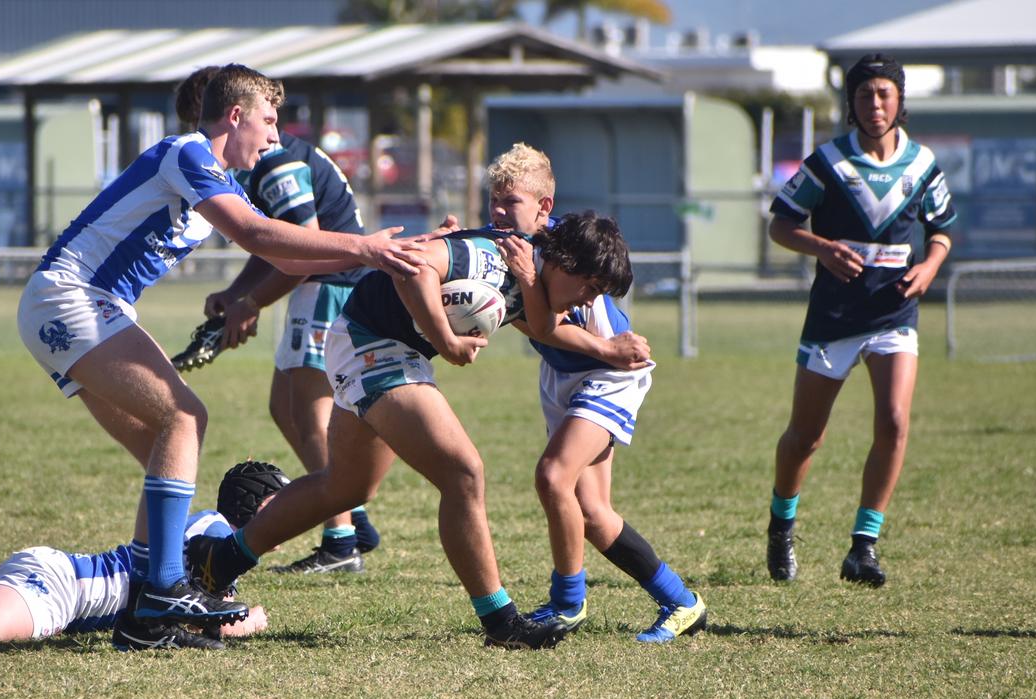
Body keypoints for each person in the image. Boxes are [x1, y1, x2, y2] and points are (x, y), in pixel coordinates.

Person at [16, 63, 424, 633]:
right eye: (269, 120)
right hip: (72, 299)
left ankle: (146, 610)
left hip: (76, 306)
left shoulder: (221, 180)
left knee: (159, 444)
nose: (277, 136)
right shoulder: (186, 154)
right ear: (236, 116)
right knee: (184, 419)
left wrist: (382, 255)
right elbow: (260, 237)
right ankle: (163, 589)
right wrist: (362, 246)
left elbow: (285, 258)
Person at [188, 208, 631, 650]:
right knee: (463, 471)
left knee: (344, 488)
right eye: (590, 287)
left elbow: (541, 326)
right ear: (564, 261)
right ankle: (501, 621)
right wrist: (447, 341)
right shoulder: (493, 257)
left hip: (374, 344)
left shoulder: (531, 273)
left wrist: (607, 349)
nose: (589, 301)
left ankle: (218, 560)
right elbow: (414, 267)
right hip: (373, 345)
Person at [481, 144, 707, 643]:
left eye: (510, 201)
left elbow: (545, 325)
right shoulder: (506, 247)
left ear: (543, 206)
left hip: (610, 375)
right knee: (593, 515)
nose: (498, 210)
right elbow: (536, 328)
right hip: (567, 375)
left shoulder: (568, 245)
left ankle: (567, 604)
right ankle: (683, 603)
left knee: (552, 476)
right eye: (493, 199)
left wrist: (606, 348)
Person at [176, 66, 381, 573]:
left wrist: (251, 303)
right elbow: (269, 243)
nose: (195, 135)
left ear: (227, 113)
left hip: (331, 288)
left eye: (197, 121)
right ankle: (352, 516)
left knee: (311, 416)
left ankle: (340, 541)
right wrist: (237, 292)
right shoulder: (253, 165)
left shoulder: (276, 164)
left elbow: (303, 250)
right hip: (318, 287)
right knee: (283, 406)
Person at [765, 53, 956, 586]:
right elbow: (780, 226)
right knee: (807, 436)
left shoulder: (922, 165)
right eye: (865, 95)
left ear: (900, 101)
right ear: (850, 104)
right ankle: (782, 525)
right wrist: (821, 247)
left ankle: (863, 546)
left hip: (895, 309)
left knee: (895, 422)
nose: (875, 104)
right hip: (835, 312)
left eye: (885, 94)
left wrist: (931, 265)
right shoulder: (826, 162)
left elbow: (941, 230)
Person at [0, 449, 289, 650]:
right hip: (61, 589)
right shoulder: (213, 529)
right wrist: (248, 619)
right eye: (282, 504)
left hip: (55, 574)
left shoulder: (213, 539)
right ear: (259, 504)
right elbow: (198, 615)